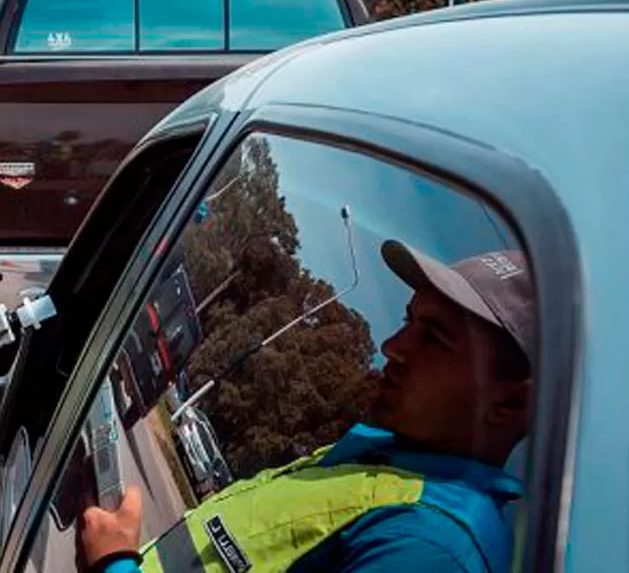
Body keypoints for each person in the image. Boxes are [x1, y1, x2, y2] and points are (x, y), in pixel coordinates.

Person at [80, 244, 535, 573]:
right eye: (406, 321)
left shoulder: (431, 547)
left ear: (511, 400)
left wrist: (116, 564)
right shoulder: (380, 466)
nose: (392, 347)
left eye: (434, 336)